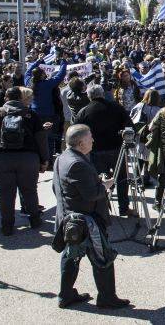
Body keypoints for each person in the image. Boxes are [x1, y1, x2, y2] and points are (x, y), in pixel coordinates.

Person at [53, 124, 130, 309]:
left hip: (70, 218)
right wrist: (105, 186)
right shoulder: (77, 163)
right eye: (90, 137)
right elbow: (90, 194)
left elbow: (57, 187)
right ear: (80, 143)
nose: (93, 140)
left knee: (71, 256)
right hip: (86, 220)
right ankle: (107, 298)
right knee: (103, 258)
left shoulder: (63, 158)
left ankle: (66, 295)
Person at [0, 86, 48, 236]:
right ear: (21, 98)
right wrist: (44, 160)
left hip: (1, 158)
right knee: (29, 190)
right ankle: (34, 220)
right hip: (28, 158)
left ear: (6, 98)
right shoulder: (31, 114)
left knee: (6, 193)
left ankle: (7, 226)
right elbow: (41, 140)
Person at [75, 84, 136, 217]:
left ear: (89, 96)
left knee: (97, 182)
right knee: (121, 179)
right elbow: (129, 126)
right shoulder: (116, 107)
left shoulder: (84, 111)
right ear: (102, 94)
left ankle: (101, 211)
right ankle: (124, 208)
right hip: (116, 149)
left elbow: (76, 132)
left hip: (94, 151)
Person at [25, 57, 67, 158]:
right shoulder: (47, 84)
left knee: (36, 136)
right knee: (48, 138)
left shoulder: (28, 83)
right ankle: (47, 159)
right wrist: (63, 63)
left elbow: (27, 72)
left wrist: (37, 61)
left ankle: (37, 157)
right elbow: (60, 76)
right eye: (44, 73)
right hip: (48, 115)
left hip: (34, 114)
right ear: (42, 76)